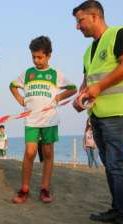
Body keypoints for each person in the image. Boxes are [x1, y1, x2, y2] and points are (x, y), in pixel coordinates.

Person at [72, 1, 123, 224]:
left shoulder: (120, 34)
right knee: (109, 165)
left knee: (116, 165)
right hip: (97, 114)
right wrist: (80, 98)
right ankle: (117, 209)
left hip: (118, 112)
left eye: (80, 21)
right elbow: (88, 81)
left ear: (94, 16)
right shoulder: (89, 51)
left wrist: (98, 88)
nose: (77, 27)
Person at [10, 36, 77, 204]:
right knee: (30, 152)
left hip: (49, 120)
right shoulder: (28, 73)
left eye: (39, 57)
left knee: (47, 153)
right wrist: (20, 99)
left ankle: (44, 188)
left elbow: (73, 88)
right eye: (33, 56)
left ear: (49, 56)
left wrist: (59, 97)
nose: (36, 60)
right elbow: (12, 85)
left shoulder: (55, 74)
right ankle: (24, 189)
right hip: (31, 120)